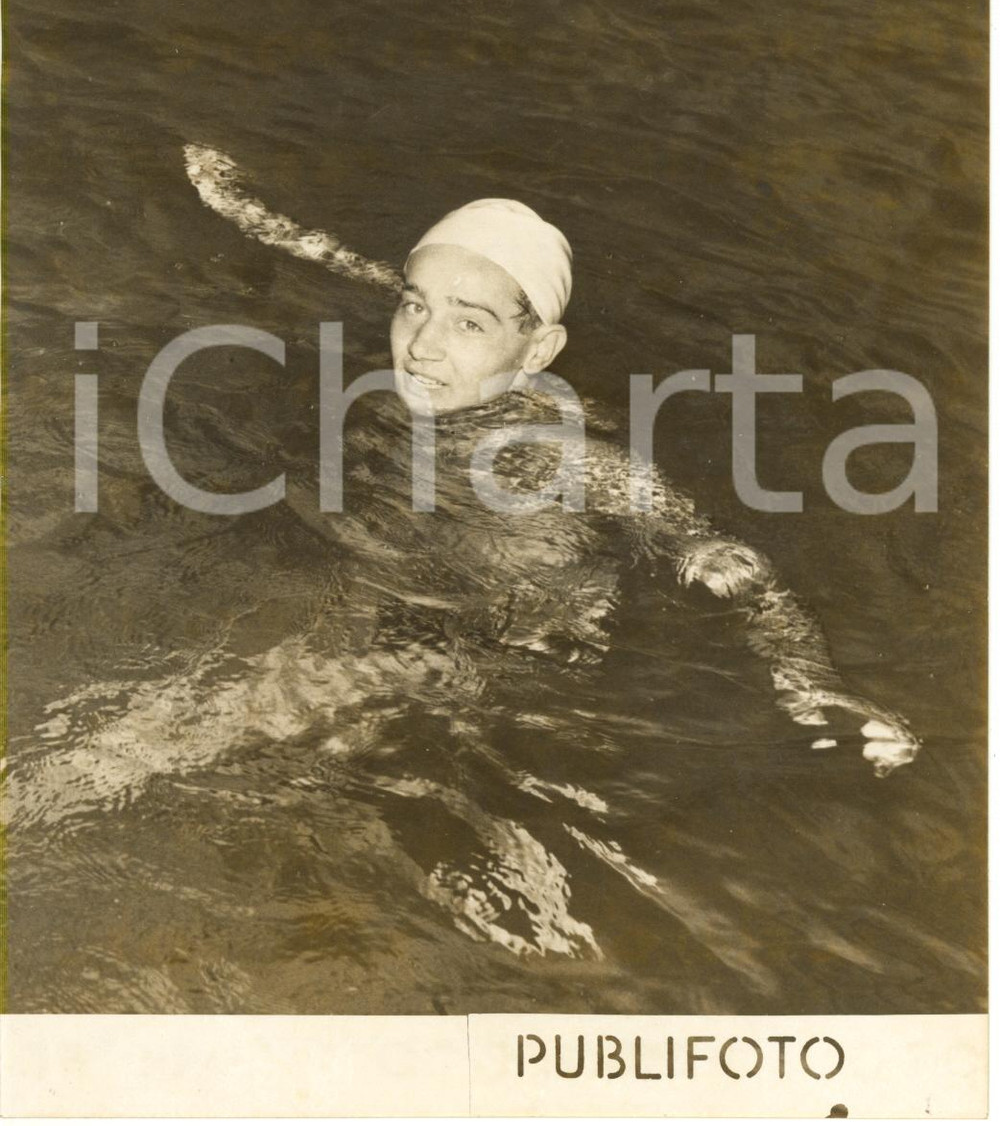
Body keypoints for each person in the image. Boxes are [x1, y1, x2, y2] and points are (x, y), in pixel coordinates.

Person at [384, 194, 918, 776]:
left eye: (468, 322)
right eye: (414, 307)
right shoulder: (436, 402)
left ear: (539, 350)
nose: (421, 344)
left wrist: (809, 675)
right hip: (442, 634)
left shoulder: (558, 455)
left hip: (518, 673)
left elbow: (733, 562)